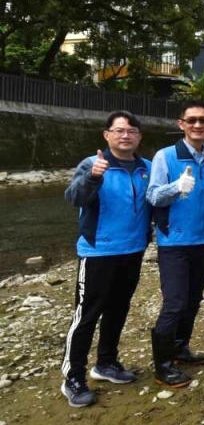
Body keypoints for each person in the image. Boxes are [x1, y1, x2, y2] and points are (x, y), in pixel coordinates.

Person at [60, 111, 151, 406]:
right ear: (107, 134)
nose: (126, 136)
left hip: (133, 249)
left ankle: (107, 363)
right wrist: (93, 177)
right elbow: (73, 198)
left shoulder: (146, 167)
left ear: (139, 136)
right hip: (98, 250)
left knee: (118, 309)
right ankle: (73, 377)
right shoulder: (92, 163)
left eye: (132, 131)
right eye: (119, 130)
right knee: (86, 315)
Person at [147, 100, 204, 387]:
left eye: (203, 120)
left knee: (192, 300)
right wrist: (175, 187)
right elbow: (153, 196)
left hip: (203, 241)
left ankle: (180, 348)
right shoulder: (165, 157)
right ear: (181, 124)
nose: (197, 125)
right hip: (174, 242)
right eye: (191, 120)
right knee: (174, 303)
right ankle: (162, 364)